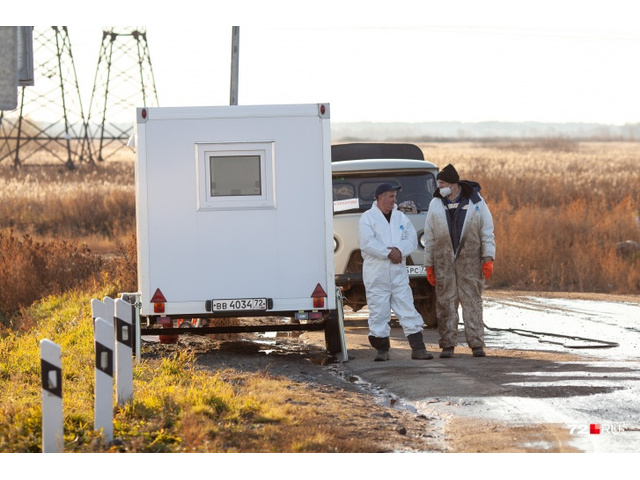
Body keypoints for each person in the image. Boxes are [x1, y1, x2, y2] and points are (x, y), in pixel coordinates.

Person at [423, 164, 495, 358]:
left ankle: (476, 344)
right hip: (444, 263)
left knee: (472, 302)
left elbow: (487, 232)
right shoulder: (436, 203)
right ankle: (447, 345)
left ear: (454, 184)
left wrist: (488, 258)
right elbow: (429, 237)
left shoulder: (476, 201)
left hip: (470, 261)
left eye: (443, 182)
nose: (440, 186)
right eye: (438, 183)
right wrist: (428, 264)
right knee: (446, 303)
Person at [359, 182, 433, 361]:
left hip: (398, 274)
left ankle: (418, 348)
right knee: (379, 311)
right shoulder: (367, 218)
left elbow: (411, 239)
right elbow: (368, 243)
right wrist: (388, 252)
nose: (395, 200)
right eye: (391, 196)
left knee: (407, 308)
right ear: (380, 197)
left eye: (394, 196)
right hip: (377, 275)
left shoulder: (401, 218)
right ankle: (382, 351)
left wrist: (399, 250)